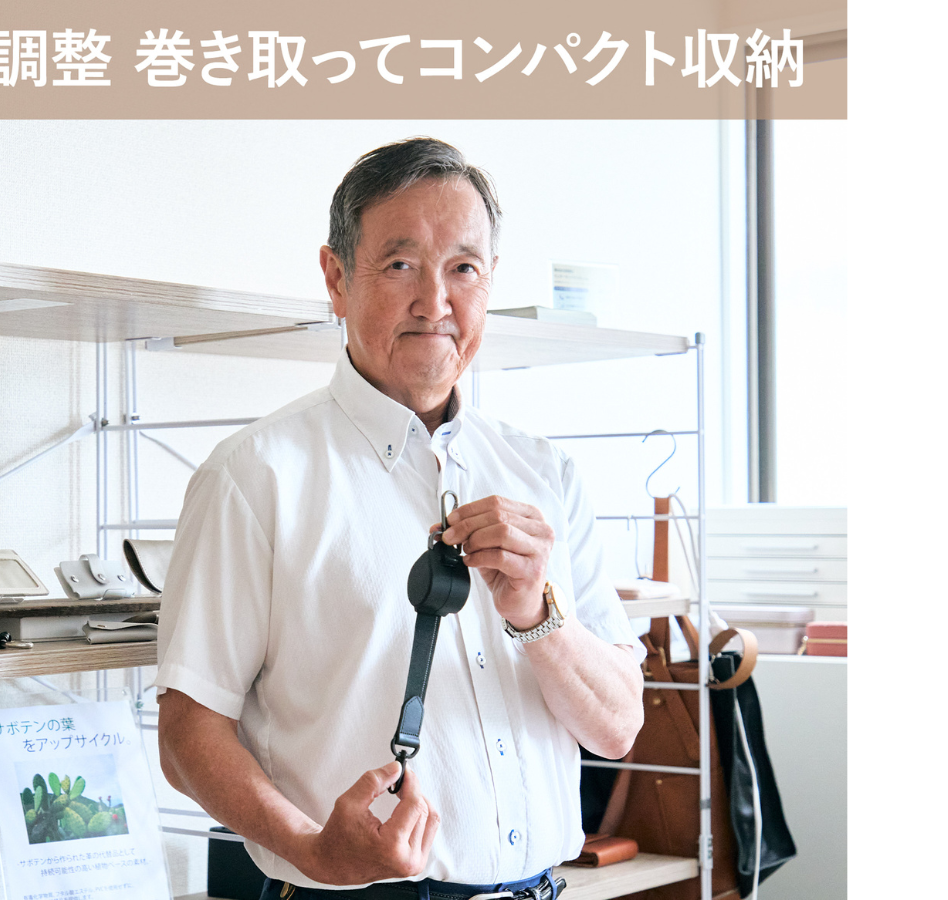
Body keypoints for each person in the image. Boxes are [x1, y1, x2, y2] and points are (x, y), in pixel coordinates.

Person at [154, 137, 645, 900]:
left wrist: (536, 616)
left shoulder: (547, 475)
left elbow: (617, 727)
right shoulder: (253, 478)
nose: (436, 303)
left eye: (463, 269)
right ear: (336, 278)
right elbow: (188, 735)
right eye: (400, 264)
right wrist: (311, 850)